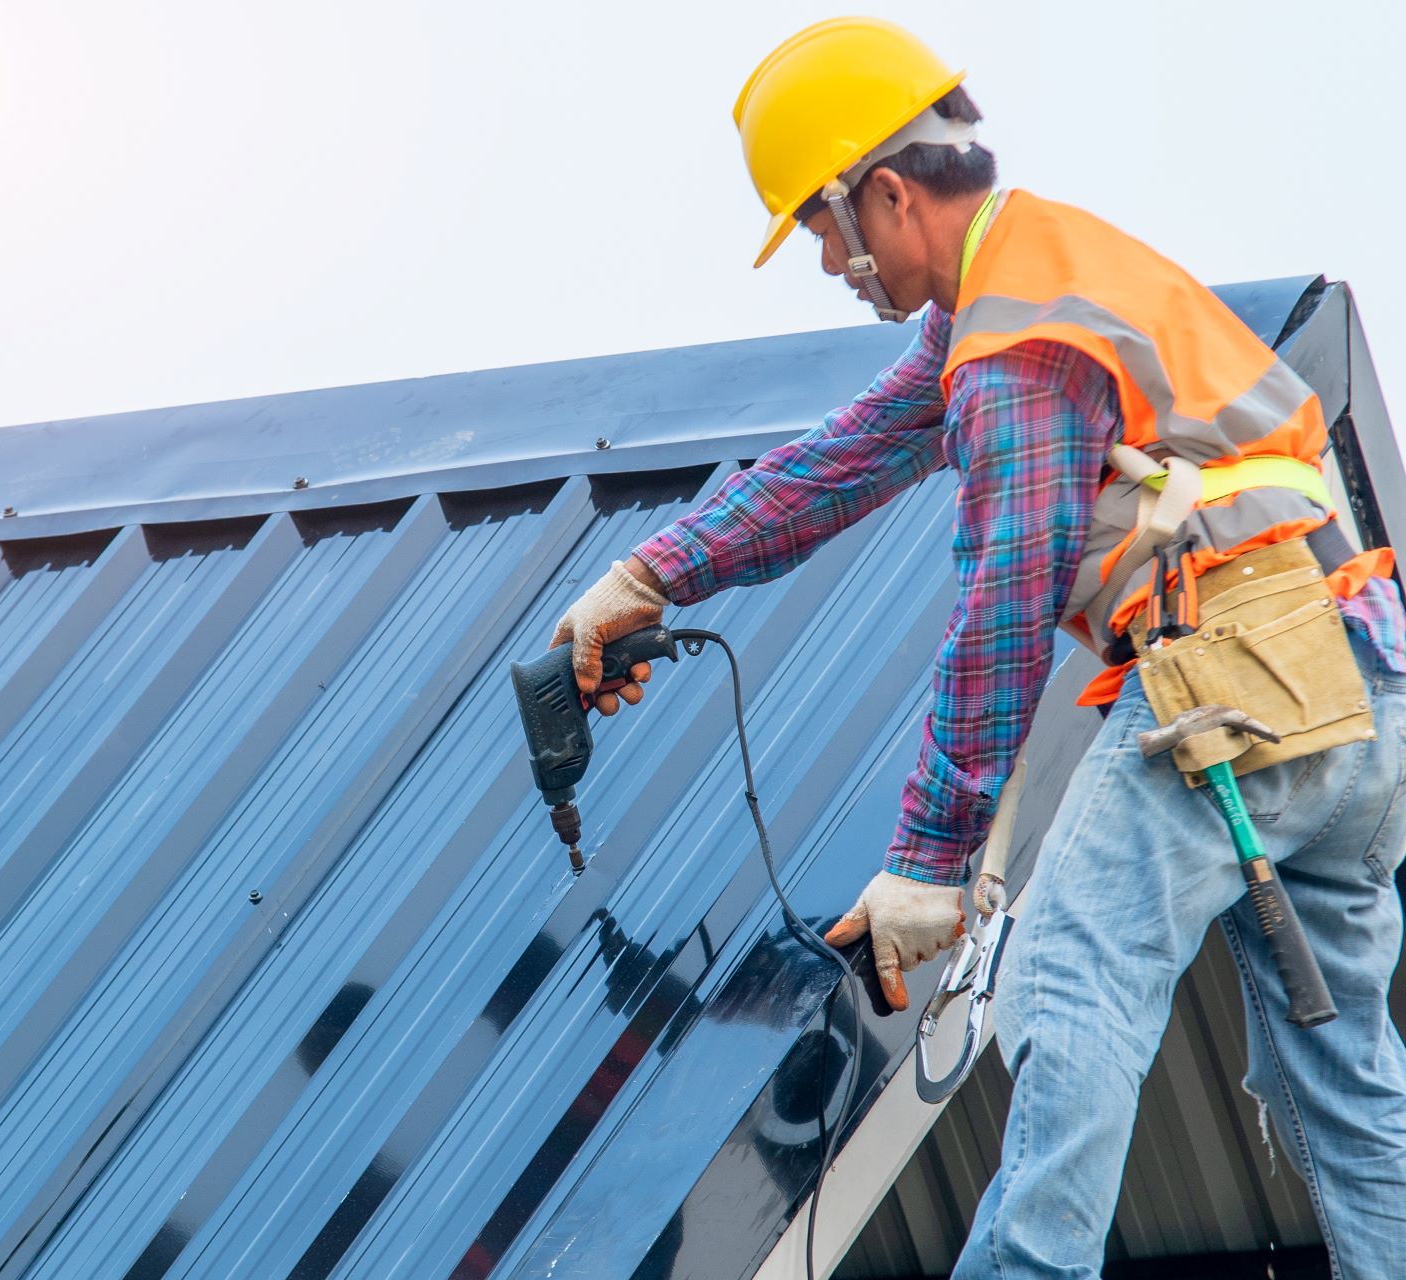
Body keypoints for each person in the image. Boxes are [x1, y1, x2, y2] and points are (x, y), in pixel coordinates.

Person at [548, 17, 1406, 1278]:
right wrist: (643, 578)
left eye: (828, 232)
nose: (833, 265)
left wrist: (924, 862)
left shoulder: (1016, 350)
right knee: (1340, 1074)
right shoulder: (1034, 278)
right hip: (1352, 685)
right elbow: (842, 459)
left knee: (1066, 982)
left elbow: (1005, 600)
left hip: (1238, 669)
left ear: (886, 190)